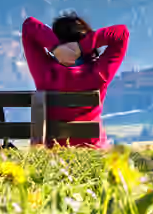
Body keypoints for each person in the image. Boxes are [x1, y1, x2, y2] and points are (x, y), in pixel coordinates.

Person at [20, 12, 129, 148]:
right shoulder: (98, 73)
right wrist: (82, 47)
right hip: (93, 149)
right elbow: (121, 33)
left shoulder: (45, 72)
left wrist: (55, 47)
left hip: (55, 153)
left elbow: (29, 26)